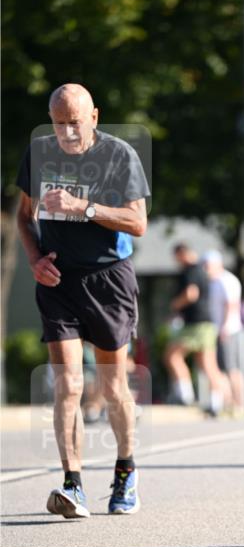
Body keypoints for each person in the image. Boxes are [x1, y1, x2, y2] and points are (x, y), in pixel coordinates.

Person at [16, 83, 149, 516]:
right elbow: (23, 214)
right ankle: (72, 483)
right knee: (69, 384)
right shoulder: (39, 153)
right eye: (59, 123)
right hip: (58, 280)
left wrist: (82, 206)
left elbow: (138, 222)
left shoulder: (118, 155)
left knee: (112, 387)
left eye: (75, 122)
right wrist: (35, 258)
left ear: (94, 116)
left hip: (109, 278)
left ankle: (125, 472)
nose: (68, 132)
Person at [164, 244, 228, 415]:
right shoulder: (201, 270)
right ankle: (216, 403)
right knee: (208, 365)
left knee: (172, 356)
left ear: (182, 254)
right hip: (206, 323)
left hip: (195, 324)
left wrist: (175, 304)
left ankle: (185, 395)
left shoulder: (190, 270)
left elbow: (191, 294)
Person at [203, 250, 244, 417]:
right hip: (215, 330)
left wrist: (226, 326)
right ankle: (226, 403)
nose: (206, 270)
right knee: (219, 369)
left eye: (208, 266)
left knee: (231, 368)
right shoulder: (212, 282)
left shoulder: (227, 281)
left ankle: (239, 404)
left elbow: (231, 305)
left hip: (228, 330)